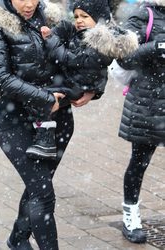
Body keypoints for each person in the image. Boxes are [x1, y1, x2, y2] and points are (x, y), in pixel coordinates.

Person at [0, 0, 74, 249]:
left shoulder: (53, 17)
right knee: (43, 193)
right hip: (15, 121)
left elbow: (81, 57)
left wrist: (92, 90)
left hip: (57, 121)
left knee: (39, 187)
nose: (30, 3)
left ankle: (18, 238)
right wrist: (44, 99)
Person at [26, 0, 139, 160]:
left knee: (42, 97)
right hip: (76, 82)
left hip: (75, 85)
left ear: (99, 19)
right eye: (76, 16)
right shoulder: (87, 36)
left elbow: (69, 58)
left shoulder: (99, 43)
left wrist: (51, 39)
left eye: (84, 16)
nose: (78, 20)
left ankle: (46, 139)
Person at [116, 0, 165, 244]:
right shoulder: (143, 15)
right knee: (139, 162)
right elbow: (124, 57)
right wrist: (154, 48)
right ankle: (130, 215)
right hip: (149, 102)